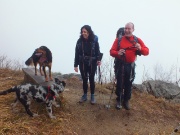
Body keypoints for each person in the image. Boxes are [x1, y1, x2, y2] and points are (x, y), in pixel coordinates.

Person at [110, 22, 149, 110]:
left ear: (133, 30)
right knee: (119, 82)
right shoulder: (119, 40)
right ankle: (119, 99)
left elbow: (147, 51)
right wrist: (117, 53)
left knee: (128, 83)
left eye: (129, 29)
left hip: (130, 66)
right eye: (125, 28)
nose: (127, 30)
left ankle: (126, 100)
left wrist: (140, 48)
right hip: (120, 65)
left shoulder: (137, 40)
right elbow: (111, 51)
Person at [74, 25, 101, 104]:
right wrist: (75, 65)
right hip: (82, 63)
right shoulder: (79, 41)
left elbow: (97, 51)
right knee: (84, 79)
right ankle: (85, 95)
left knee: (92, 79)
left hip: (92, 62)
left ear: (89, 32)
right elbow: (76, 53)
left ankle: (92, 96)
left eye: (85, 32)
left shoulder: (94, 41)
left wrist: (99, 60)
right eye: (82, 32)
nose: (83, 33)